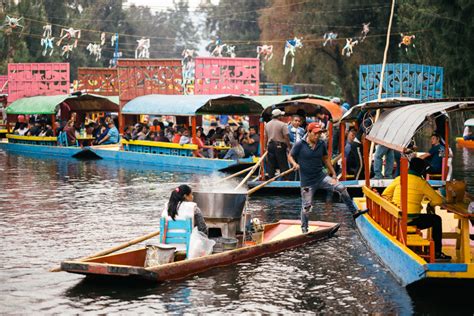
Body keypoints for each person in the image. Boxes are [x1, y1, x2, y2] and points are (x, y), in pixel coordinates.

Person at [288, 122, 358, 232]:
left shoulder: (321, 144)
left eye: (319, 134)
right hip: (307, 182)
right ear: (309, 132)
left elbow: (326, 159)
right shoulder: (300, 144)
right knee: (306, 207)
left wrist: (334, 173)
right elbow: (290, 156)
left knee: (341, 188)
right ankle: (304, 229)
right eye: (315, 134)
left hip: (321, 177)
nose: (317, 136)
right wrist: (294, 164)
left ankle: (354, 212)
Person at [382, 158, 451, 261]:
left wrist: (395, 204)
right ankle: (437, 252)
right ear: (422, 171)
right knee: (436, 219)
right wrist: (430, 204)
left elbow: (385, 195)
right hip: (411, 220)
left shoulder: (399, 178)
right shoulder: (421, 183)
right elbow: (438, 200)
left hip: (395, 219)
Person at [264, 108, 291, 180]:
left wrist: (265, 147)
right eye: (281, 116)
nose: (282, 117)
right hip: (280, 146)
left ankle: (270, 179)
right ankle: (286, 179)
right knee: (283, 164)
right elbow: (286, 137)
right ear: (279, 116)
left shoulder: (267, 124)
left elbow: (265, 137)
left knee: (271, 164)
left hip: (270, 145)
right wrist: (289, 147)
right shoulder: (282, 124)